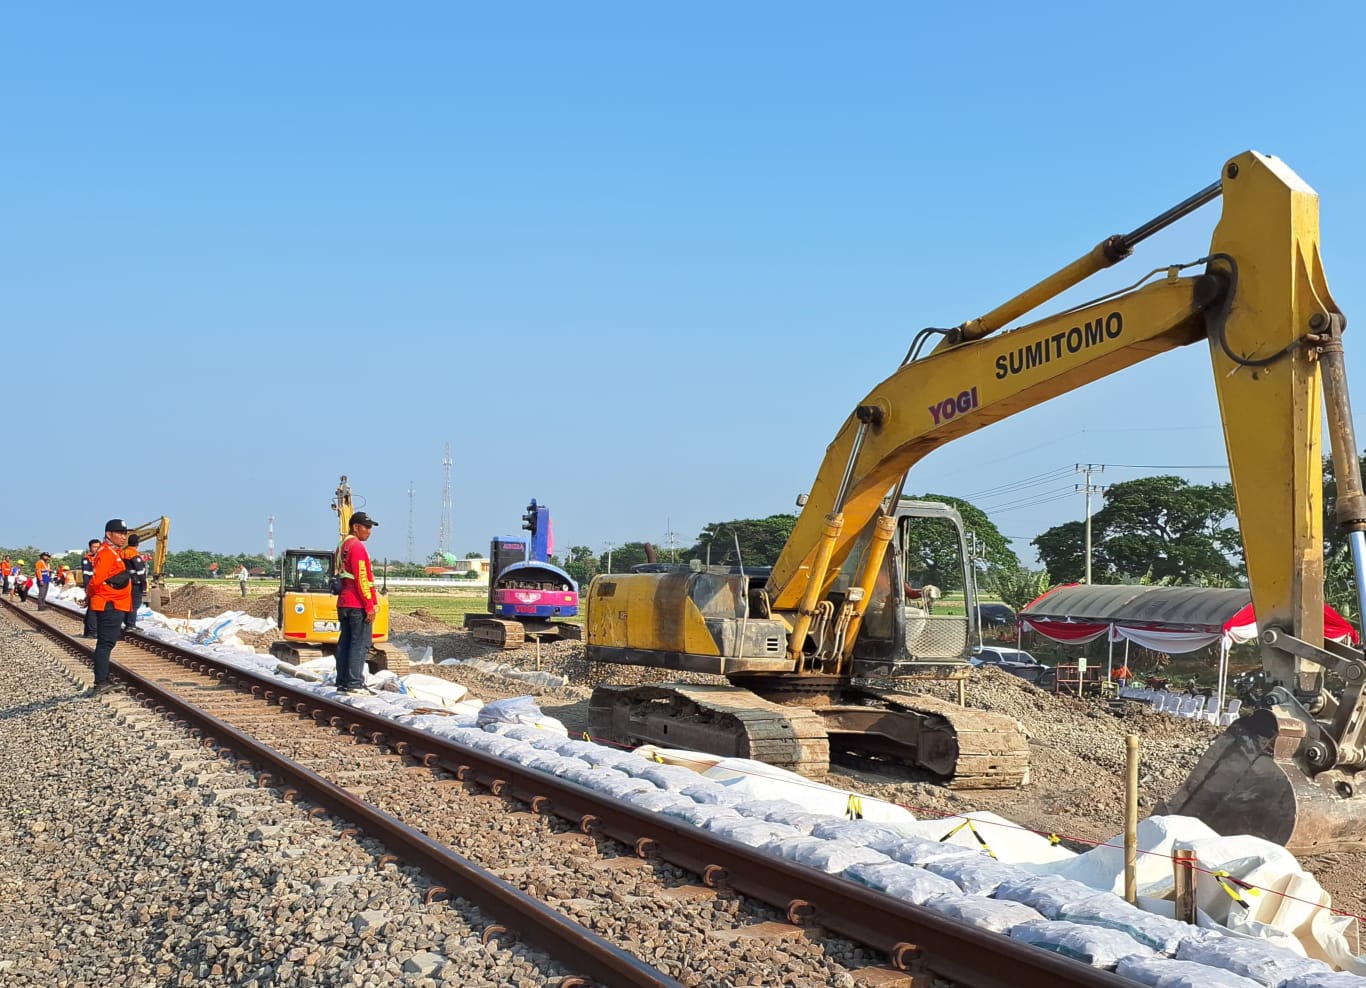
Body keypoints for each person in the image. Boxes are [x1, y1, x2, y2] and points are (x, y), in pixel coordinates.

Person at [334, 511, 379, 694]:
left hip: (344, 601)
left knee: (345, 643)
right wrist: (369, 606)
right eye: (366, 527)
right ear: (355, 527)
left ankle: (343, 682)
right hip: (356, 603)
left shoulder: (342, 545)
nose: (369, 531)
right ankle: (354, 683)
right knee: (360, 643)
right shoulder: (357, 547)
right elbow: (361, 578)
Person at [86, 519, 133, 691]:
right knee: (105, 643)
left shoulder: (114, 552)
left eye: (124, 533)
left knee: (107, 642)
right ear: (108, 534)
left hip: (114, 603)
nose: (123, 536)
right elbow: (96, 580)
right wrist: (89, 596)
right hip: (109, 604)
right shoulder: (106, 553)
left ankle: (103, 678)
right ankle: (101, 681)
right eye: (120, 533)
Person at [123, 535, 148, 630]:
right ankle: (130, 625)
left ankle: (127, 623)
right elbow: (140, 571)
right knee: (134, 604)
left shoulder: (123, 553)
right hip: (135, 583)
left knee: (127, 603)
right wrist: (144, 583)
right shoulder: (134, 554)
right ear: (138, 543)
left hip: (125, 582)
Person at [81, 539, 100, 637]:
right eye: (94, 547)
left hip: (99, 586)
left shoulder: (100, 558)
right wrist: (88, 589)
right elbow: (86, 576)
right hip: (92, 586)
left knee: (91, 608)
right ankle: (92, 632)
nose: (96, 549)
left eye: (98, 547)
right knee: (93, 608)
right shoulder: (87, 559)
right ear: (90, 548)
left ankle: (88, 631)